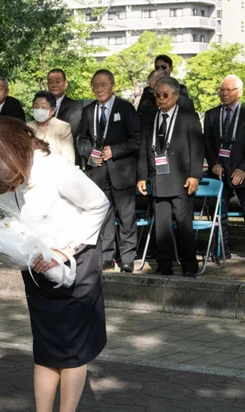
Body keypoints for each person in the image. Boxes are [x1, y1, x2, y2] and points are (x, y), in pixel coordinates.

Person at [0, 116, 109, 412]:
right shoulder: (4, 172)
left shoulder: (55, 169)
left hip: (75, 264)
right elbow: (7, 223)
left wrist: (65, 250)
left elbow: (99, 205)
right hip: (36, 269)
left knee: (72, 351)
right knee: (45, 349)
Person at [137, 76, 203, 277]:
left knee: (184, 226)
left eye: (165, 95)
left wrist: (194, 175)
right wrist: (141, 176)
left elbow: (197, 148)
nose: (161, 99)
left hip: (181, 179)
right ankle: (164, 265)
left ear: (175, 96)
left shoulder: (188, 116)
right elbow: (143, 149)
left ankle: (189, 265)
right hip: (157, 179)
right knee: (161, 226)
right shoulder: (151, 117)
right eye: (157, 95)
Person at [78, 69, 142, 273]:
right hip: (98, 171)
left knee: (126, 216)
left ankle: (127, 258)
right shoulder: (89, 111)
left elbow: (137, 139)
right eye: (95, 85)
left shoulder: (125, 108)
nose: (99, 89)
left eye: (103, 85)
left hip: (122, 171)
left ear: (112, 86)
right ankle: (106, 256)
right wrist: (90, 154)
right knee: (104, 215)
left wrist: (115, 150)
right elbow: (82, 139)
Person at [204, 75, 245, 264]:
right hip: (219, 172)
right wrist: (213, 162)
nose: (223, 93)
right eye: (221, 89)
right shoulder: (211, 114)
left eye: (228, 90)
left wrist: (243, 169)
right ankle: (221, 250)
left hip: (244, 173)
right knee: (219, 212)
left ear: (238, 93)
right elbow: (207, 143)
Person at [26, 91, 75, 164]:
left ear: (52, 111)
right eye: (36, 107)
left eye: (43, 107)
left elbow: (69, 158)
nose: (39, 110)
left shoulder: (62, 127)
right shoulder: (27, 127)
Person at [47, 69, 83, 139]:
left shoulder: (75, 107)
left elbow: (70, 133)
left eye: (58, 82)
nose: (54, 85)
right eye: (50, 82)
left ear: (65, 84)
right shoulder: (41, 106)